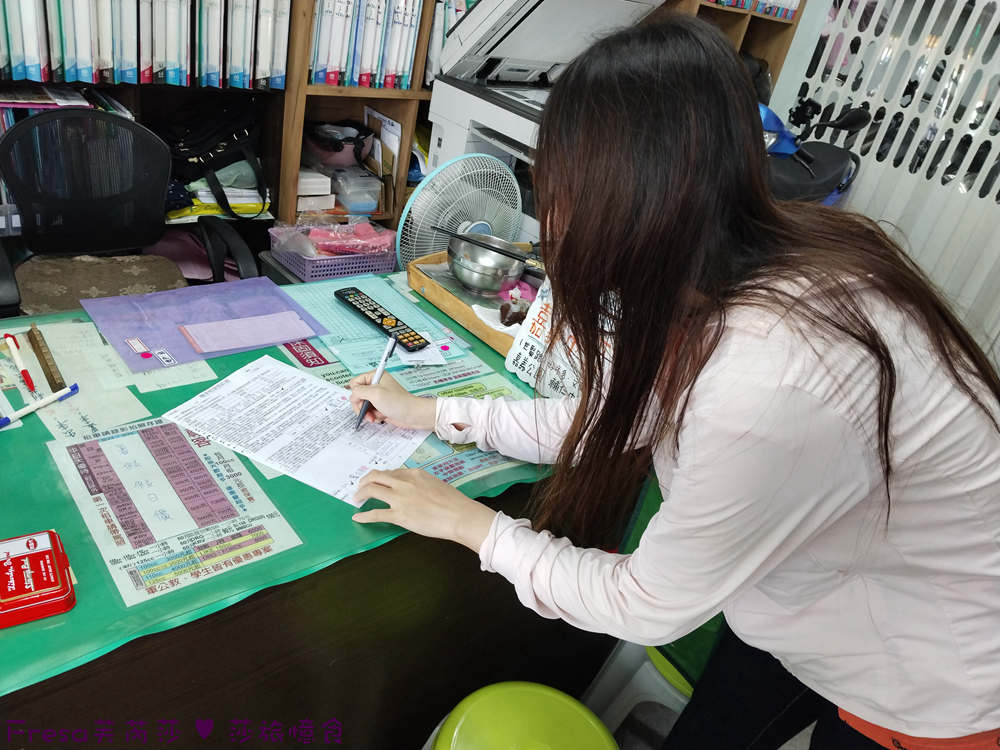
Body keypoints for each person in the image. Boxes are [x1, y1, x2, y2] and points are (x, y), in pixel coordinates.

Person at [346, 14, 1000, 750]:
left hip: (934, 679)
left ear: (623, 203)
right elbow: (614, 419)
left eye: (552, 187)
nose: (547, 220)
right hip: (806, 589)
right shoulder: (716, 275)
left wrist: (471, 525)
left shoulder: (773, 377)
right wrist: (431, 413)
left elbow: (645, 602)